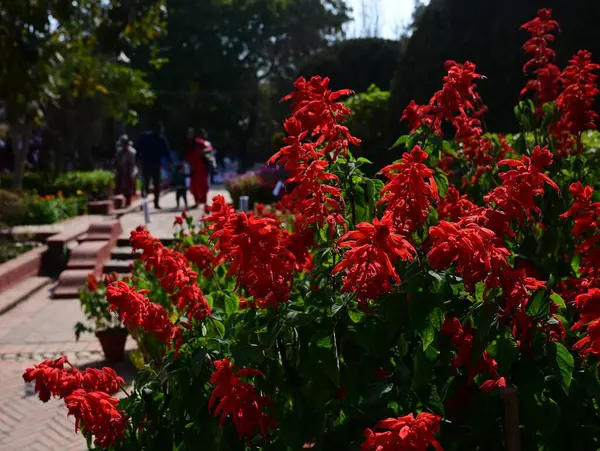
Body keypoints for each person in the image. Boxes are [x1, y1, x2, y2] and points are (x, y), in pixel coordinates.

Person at [136, 120, 172, 209]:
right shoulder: (160, 138)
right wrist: (169, 162)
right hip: (153, 163)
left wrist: (137, 160)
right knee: (155, 184)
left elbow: (138, 150)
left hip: (148, 163)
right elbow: (167, 153)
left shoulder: (145, 137)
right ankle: (154, 203)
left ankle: (146, 203)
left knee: (147, 184)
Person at [185, 128, 214, 209]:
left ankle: (204, 202)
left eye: (190, 134)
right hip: (193, 168)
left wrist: (203, 151)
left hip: (202, 167)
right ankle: (197, 202)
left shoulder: (199, 142)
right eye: (188, 134)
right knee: (194, 186)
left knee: (203, 184)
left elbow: (209, 148)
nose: (189, 135)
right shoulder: (188, 144)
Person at [114, 135, 137, 207]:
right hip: (121, 171)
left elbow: (133, 163)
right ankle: (120, 202)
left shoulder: (132, 152)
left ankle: (128, 200)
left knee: (129, 185)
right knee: (119, 185)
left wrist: (130, 172)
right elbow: (117, 162)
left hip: (130, 170)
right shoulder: (119, 152)